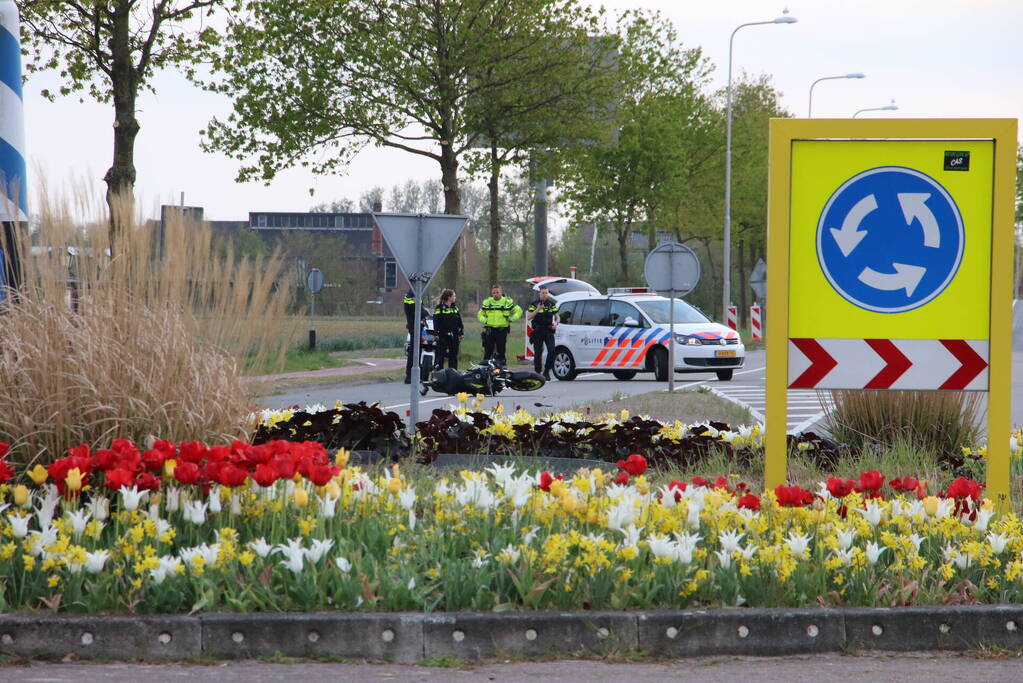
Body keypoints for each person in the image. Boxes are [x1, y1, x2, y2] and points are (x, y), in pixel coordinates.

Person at [477, 284, 522, 366]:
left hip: (502, 330)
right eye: (494, 293)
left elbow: (519, 311)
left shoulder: (507, 302)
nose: (495, 294)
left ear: (501, 292)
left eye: (497, 292)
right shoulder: (487, 302)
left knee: (501, 350)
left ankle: (502, 367)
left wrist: (511, 319)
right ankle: (485, 368)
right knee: (488, 350)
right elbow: (480, 314)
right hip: (490, 329)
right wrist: (485, 320)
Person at [526, 285, 559, 380]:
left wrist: (556, 323)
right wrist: (537, 309)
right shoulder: (534, 304)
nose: (544, 295)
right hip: (538, 331)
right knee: (538, 352)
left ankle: (547, 370)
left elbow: (557, 316)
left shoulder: (551, 304)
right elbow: (529, 317)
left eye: (546, 293)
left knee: (552, 350)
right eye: (543, 293)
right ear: (539, 293)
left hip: (548, 330)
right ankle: (538, 372)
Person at [403, 288, 429, 384]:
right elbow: (419, 311)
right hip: (415, 328)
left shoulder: (414, 296)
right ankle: (410, 375)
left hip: (417, 327)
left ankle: (414, 375)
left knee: (416, 351)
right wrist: (425, 313)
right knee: (414, 352)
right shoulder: (412, 298)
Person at [433, 288, 463, 370]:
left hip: (454, 335)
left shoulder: (455, 308)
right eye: (454, 296)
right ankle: (439, 373)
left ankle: (453, 373)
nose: (455, 297)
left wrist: (461, 332)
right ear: (449, 297)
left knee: (453, 355)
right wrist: (436, 333)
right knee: (441, 355)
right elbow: (435, 321)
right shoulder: (439, 308)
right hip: (443, 335)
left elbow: (459, 321)